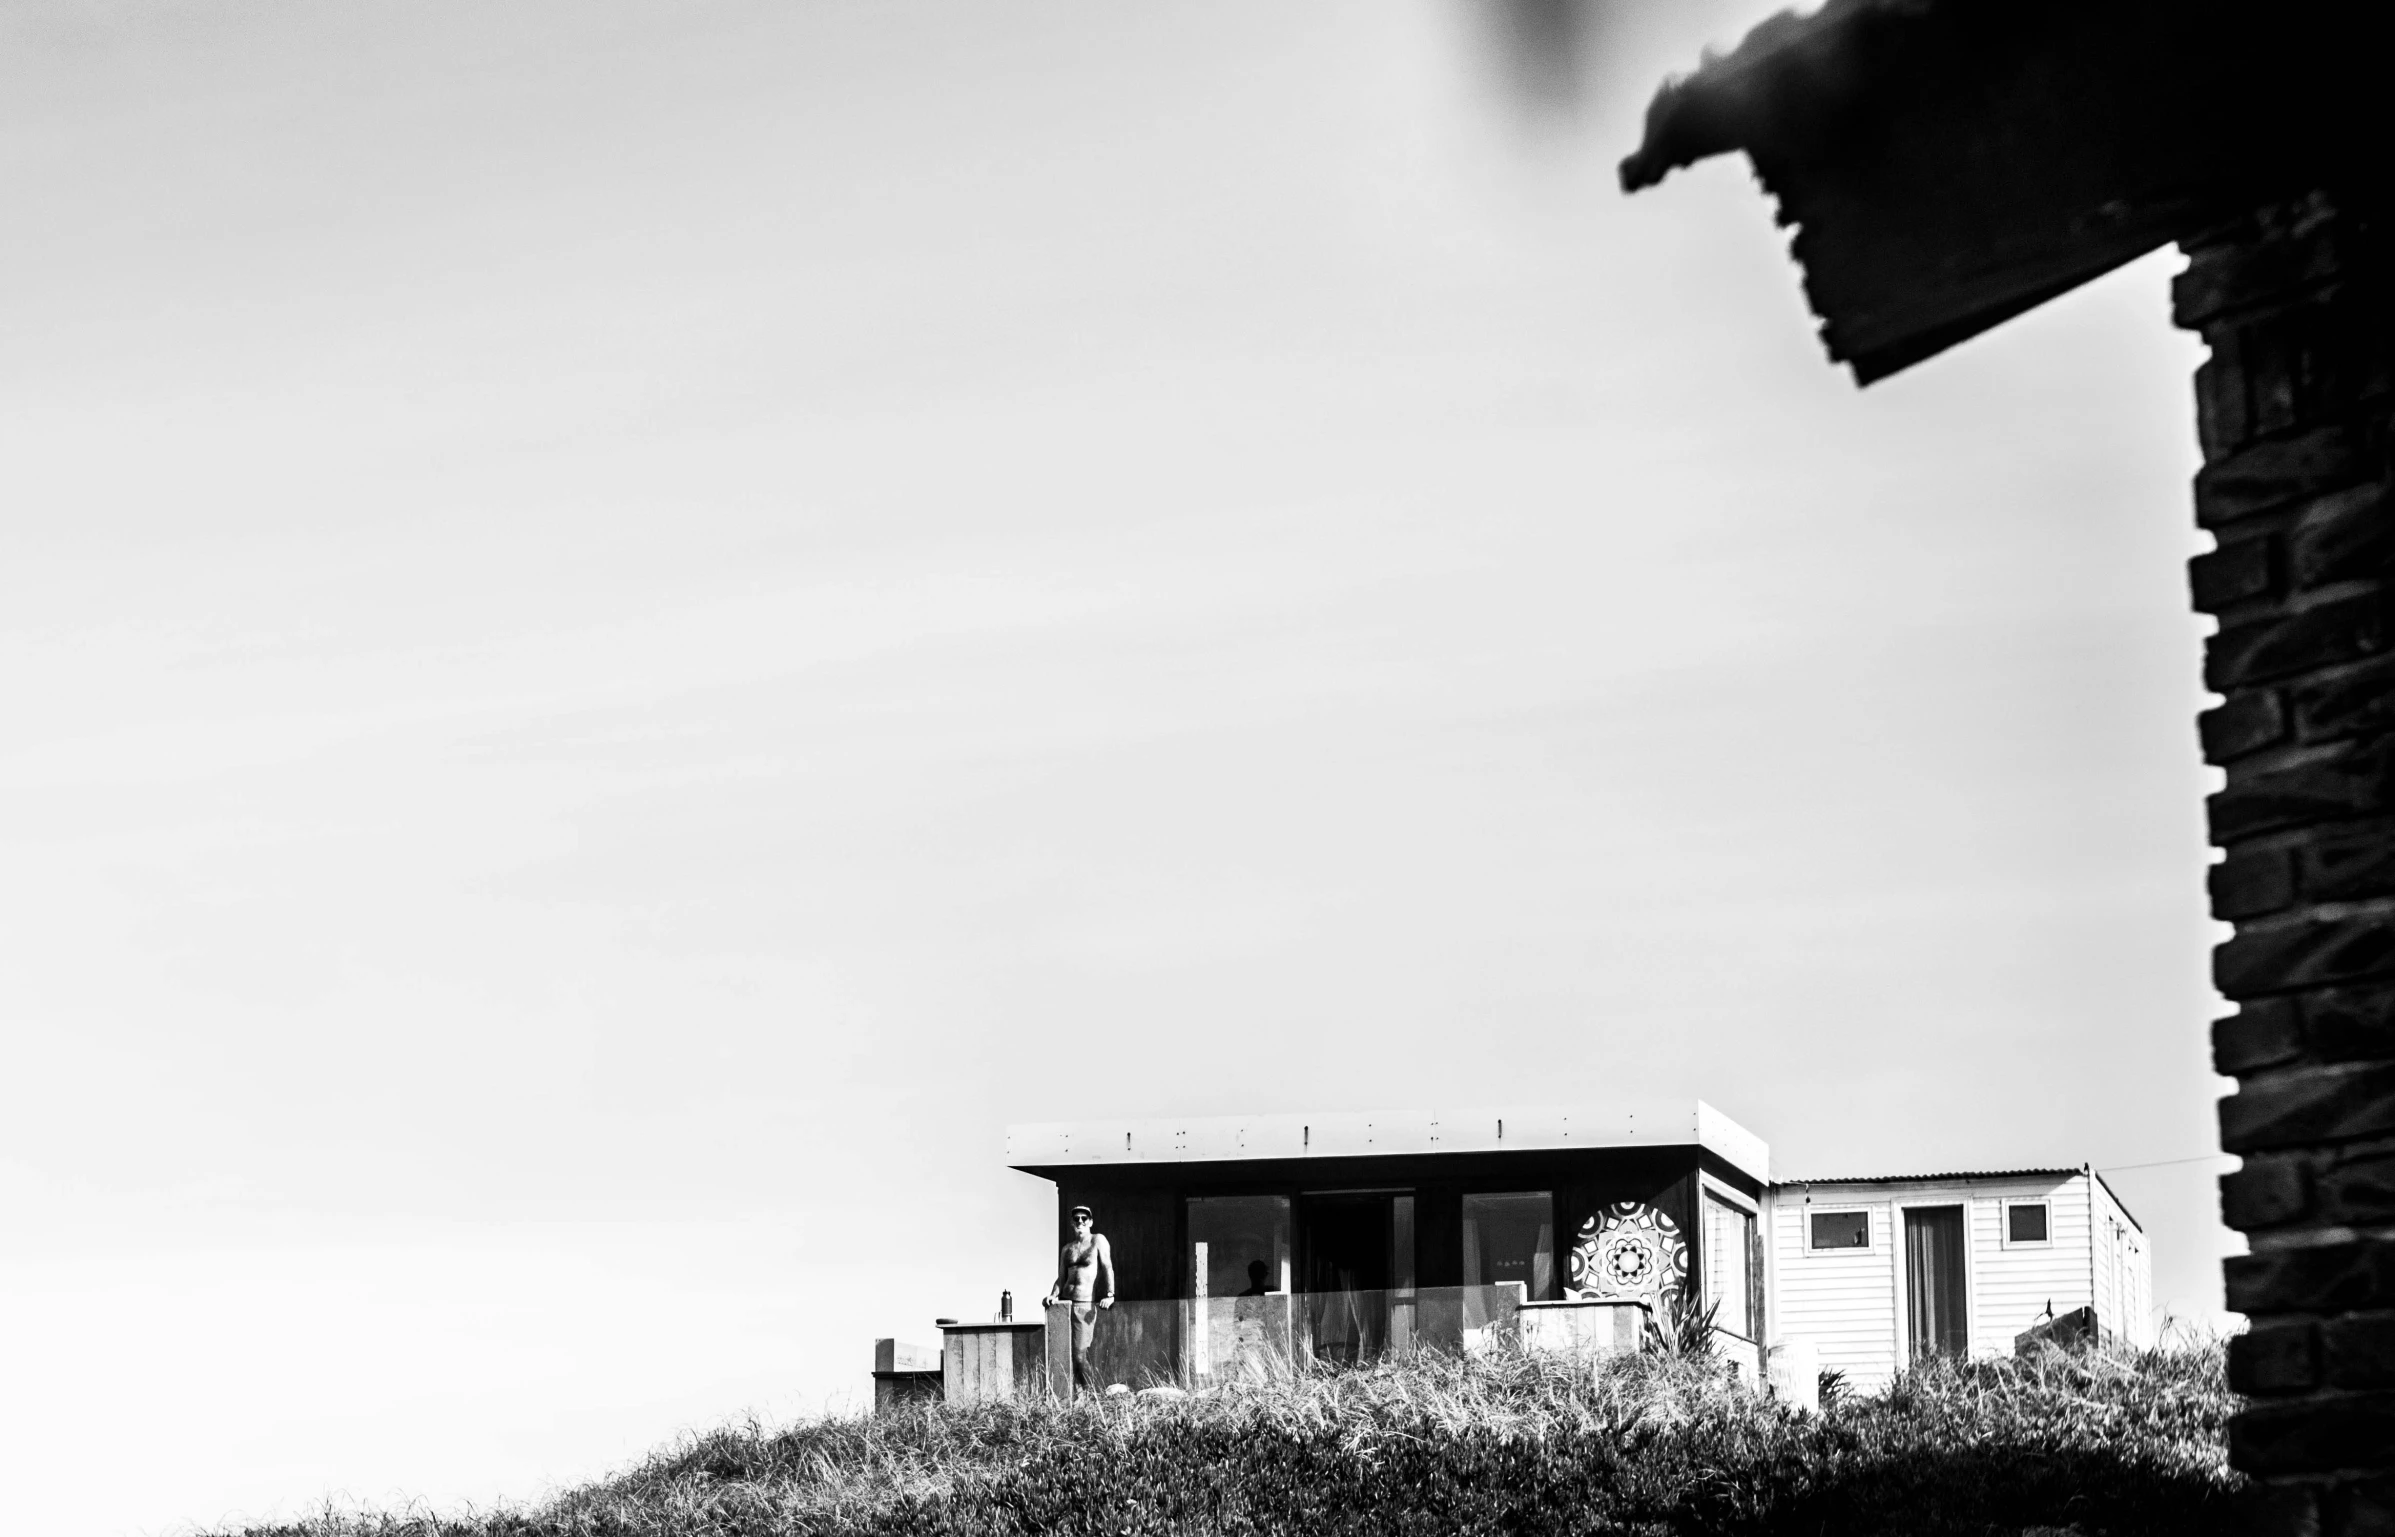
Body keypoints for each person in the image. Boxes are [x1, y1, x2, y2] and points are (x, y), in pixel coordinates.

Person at [1041, 1204, 1114, 1390]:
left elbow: (1107, 1267)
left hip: (1085, 1305)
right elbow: (1061, 1278)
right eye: (1076, 1219)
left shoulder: (1098, 1240)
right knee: (1065, 1355)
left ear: (1090, 1221)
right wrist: (1052, 1295)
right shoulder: (1067, 1249)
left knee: (1080, 1355)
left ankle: (1092, 1394)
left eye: (1084, 1218)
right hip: (1065, 1306)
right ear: (1072, 1223)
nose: (1080, 1221)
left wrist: (1110, 1294)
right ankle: (1075, 1396)